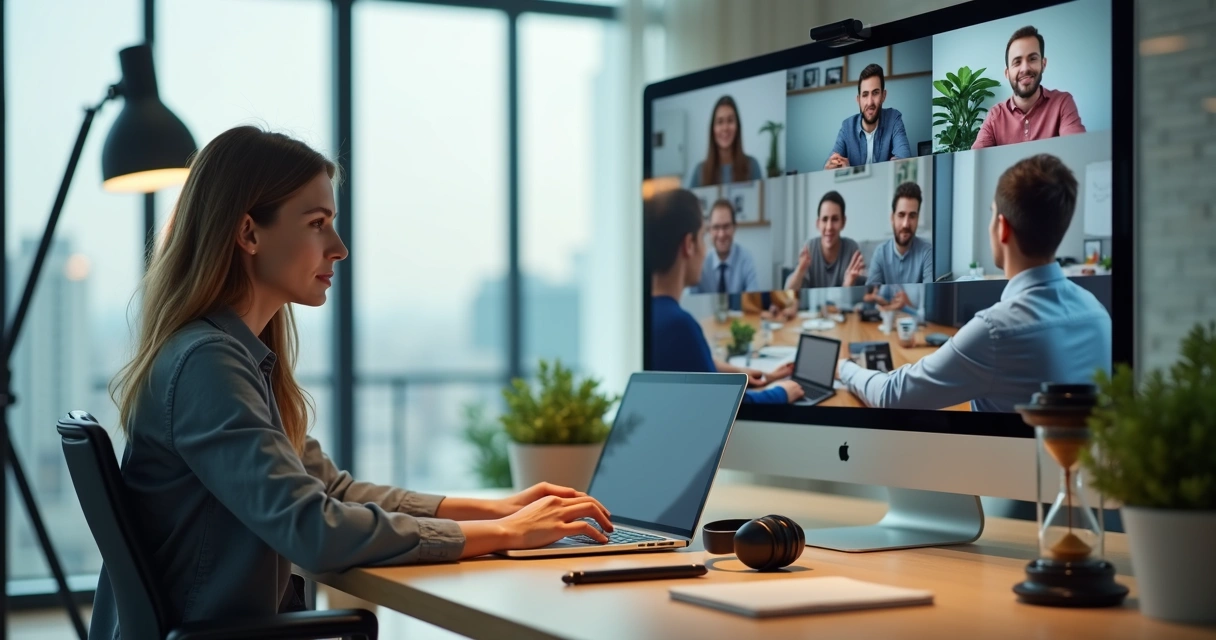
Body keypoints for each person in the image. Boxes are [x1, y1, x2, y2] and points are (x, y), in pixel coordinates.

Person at [93, 126, 615, 635]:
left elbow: (331, 489)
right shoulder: (208, 364)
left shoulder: (231, 355)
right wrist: (501, 534)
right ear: (249, 232)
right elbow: (314, 530)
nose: (339, 247)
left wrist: (495, 508)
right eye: (318, 222)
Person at [836, 154, 1111, 412]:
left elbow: (890, 395)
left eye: (991, 214)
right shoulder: (1098, 314)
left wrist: (844, 367)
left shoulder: (994, 332)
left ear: (1002, 227)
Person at [647, 188, 803, 404]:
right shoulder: (679, 326)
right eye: (704, 236)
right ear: (688, 245)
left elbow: (699, 366)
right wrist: (782, 392)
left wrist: (741, 373)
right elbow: (729, 406)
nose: (706, 248)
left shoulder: (648, 314)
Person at [972, 26, 1086, 149]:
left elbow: (1077, 151)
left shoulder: (1062, 102)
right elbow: (976, 162)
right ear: (1007, 73)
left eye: (1032, 59)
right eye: (1017, 62)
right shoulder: (995, 116)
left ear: (1043, 64)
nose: (1025, 68)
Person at [825, 64, 912, 169]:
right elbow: (831, 165)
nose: (870, 102)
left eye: (875, 93)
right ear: (858, 100)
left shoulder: (894, 119)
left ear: (883, 96)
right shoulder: (847, 127)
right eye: (865, 95)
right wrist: (836, 166)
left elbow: (905, 162)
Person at [784, 191, 866, 290]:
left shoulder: (851, 249)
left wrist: (848, 283)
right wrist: (800, 271)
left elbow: (861, 295)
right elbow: (789, 291)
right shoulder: (809, 248)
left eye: (835, 219)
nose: (829, 227)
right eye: (824, 219)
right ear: (818, 224)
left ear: (843, 222)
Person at [685, 95, 764, 187]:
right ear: (713, 129)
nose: (725, 128)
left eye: (730, 120)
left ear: (737, 126)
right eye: (720, 122)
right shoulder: (699, 171)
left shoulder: (752, 165)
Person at [866, 182, 933, 286]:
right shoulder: (880, 253)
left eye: (912, 216)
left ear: (917, 219)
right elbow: (871, 296)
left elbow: (930, 295)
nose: (906, 224)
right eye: (901, 215)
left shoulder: (927, 253)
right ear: (892, 218)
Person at [691, 199, 760, 294]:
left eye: (726, 226)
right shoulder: (700, 261)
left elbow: (753, 295)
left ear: (734, 228)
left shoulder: (746, 258)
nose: (721, 234)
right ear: (709, 230)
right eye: (716, 227)